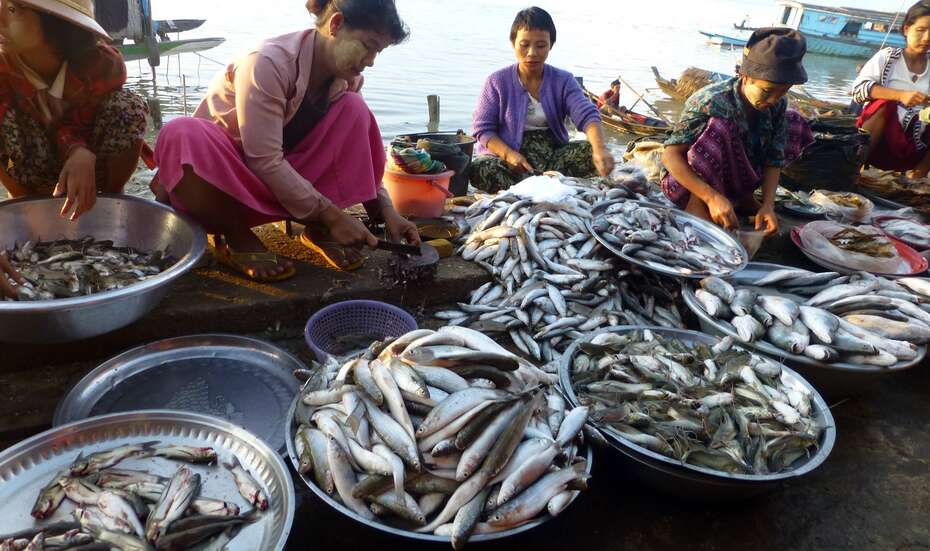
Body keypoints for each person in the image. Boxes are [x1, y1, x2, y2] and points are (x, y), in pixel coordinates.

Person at [153, 0, 419, 281]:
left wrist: (386, 212)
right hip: (228, 185)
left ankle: (317, 228)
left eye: (378, 51)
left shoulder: (345, 78)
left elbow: (360, 150)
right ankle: (236, 237)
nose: (371, 61)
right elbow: (263, 159)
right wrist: (332, 214)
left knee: (355, 111)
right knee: (182, 133)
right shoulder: (267, 62)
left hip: (282, 180)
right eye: (368, 46)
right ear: (336, 24)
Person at [0, 0, 147, 221]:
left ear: (55, 25)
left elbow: (78, 117)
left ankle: (111, 200)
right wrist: (76, 150)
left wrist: (79, 152)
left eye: (11, 10)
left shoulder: (103, 65)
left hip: (91, 168)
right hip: (30, 171)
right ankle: (23, 207)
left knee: (128, 106)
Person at [661, 28, 813, 235]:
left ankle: (742, 198)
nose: (773, 99)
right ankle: (697, 206)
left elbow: (773, 160)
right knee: (721, 127)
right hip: (688, 186)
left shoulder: (777, 106)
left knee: (794, 120)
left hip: (735, 183)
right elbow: (670, 155)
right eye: (767, 91)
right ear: (746, 77)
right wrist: (710, 197)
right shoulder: (711, 100)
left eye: (783, 92)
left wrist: (768, 204)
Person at [469, 7, 615, 193]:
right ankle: (535, 190)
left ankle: (537, 187)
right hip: (510, 157)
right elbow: (482, 129)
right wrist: (509, 155)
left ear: (550, 45)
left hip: (553, 154)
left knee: (591, 151)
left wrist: (599, 148)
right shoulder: (496, 81)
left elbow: (587, 115)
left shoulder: (563, 80)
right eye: (524, 44)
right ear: (513, 43)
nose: (532, 53)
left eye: (540, 45)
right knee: (479, 169)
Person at [852, 1, 930, 178]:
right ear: (906, 29)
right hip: (878, 141)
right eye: (921, 30)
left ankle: (916, 178)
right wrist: (900, 95)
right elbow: (858, 89)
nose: (927, 38)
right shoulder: (888, 57)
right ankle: (854, 169)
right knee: (884, 105)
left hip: (915, 146)